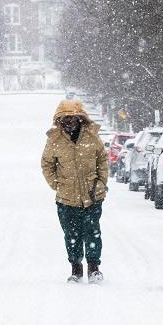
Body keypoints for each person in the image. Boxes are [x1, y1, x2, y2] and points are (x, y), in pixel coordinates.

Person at [40, 99, 108, 283]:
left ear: (80, 118)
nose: (68, 121)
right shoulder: (54, 140)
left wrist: (101, 182)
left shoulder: (92, 137)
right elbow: (47, 164)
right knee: (71, 234)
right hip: (66, 199)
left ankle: (94, 269)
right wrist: (56, 184)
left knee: (92, 231)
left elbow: (102, 159)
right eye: (64, 118)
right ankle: (76, 269)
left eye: (72, 117)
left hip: (93, 196)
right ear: (59, 120)